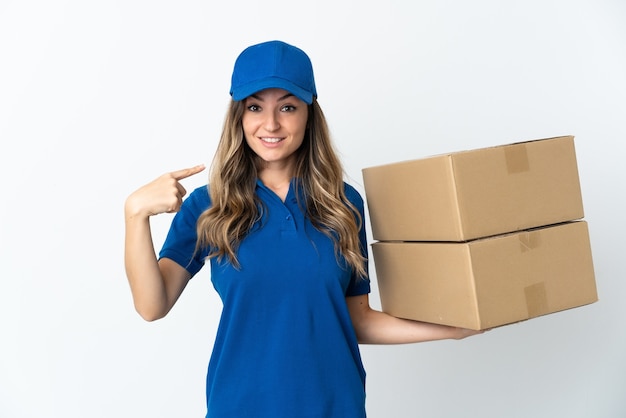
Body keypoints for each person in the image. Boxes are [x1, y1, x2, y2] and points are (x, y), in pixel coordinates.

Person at [124, 40, 483, 418]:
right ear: (239, 117)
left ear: (309, 114)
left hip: (335, 407)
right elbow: (153, 305)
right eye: (255, 107)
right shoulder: (208, 205)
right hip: (240, 407)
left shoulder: (343, 204)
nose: (271, 124)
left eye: (288, 107)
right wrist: (135, 216)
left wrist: (452, 329)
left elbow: (357, 320)